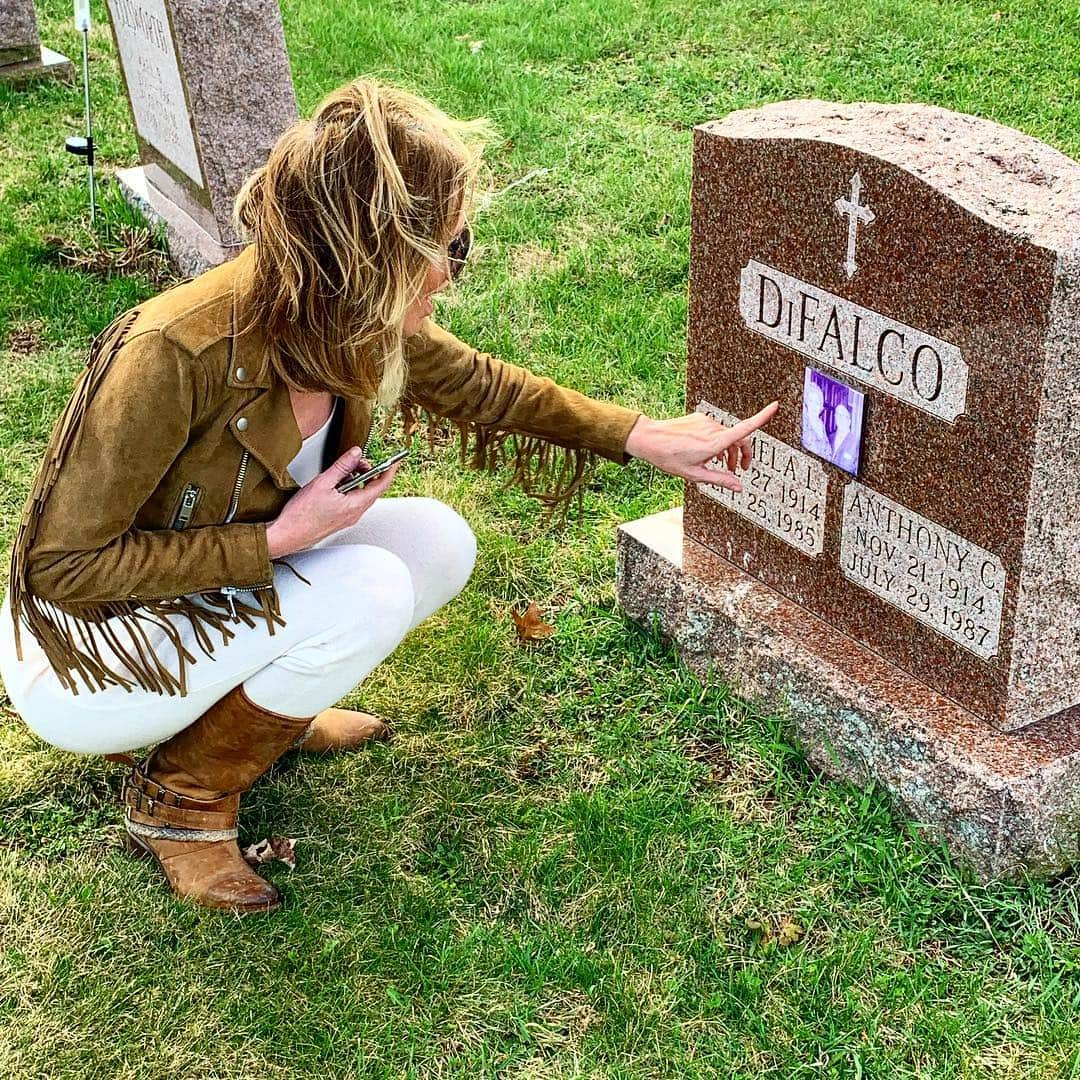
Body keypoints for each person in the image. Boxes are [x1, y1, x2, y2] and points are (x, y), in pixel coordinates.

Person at [0, 78, 778, 915]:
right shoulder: (171, 352)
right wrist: (278, 541)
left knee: (440, 544)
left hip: (204, 595)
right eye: (437, 250)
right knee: (369, 589)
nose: (447, 273)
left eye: (459, 244)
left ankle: (266, 719)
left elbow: (483, 386)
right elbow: (59, 567)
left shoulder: (346, 319)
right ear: (359, 259)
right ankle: (180, 802)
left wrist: (640, 435)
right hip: (85, 657)